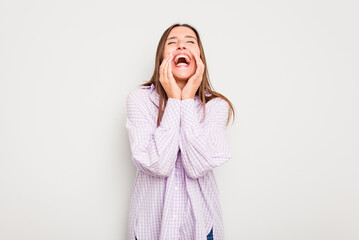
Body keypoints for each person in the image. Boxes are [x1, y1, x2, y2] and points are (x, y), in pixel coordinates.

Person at [125, 23, 235, 240]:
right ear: (161, 58)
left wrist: (186, 100)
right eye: (172, 43)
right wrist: (175, 99)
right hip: (150, 229)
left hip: (201, 229)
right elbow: (159, 165)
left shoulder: (216, 106)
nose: (181, 47)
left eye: (190, 42)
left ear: (200, 58)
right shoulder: (139, 100)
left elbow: (197, 166)